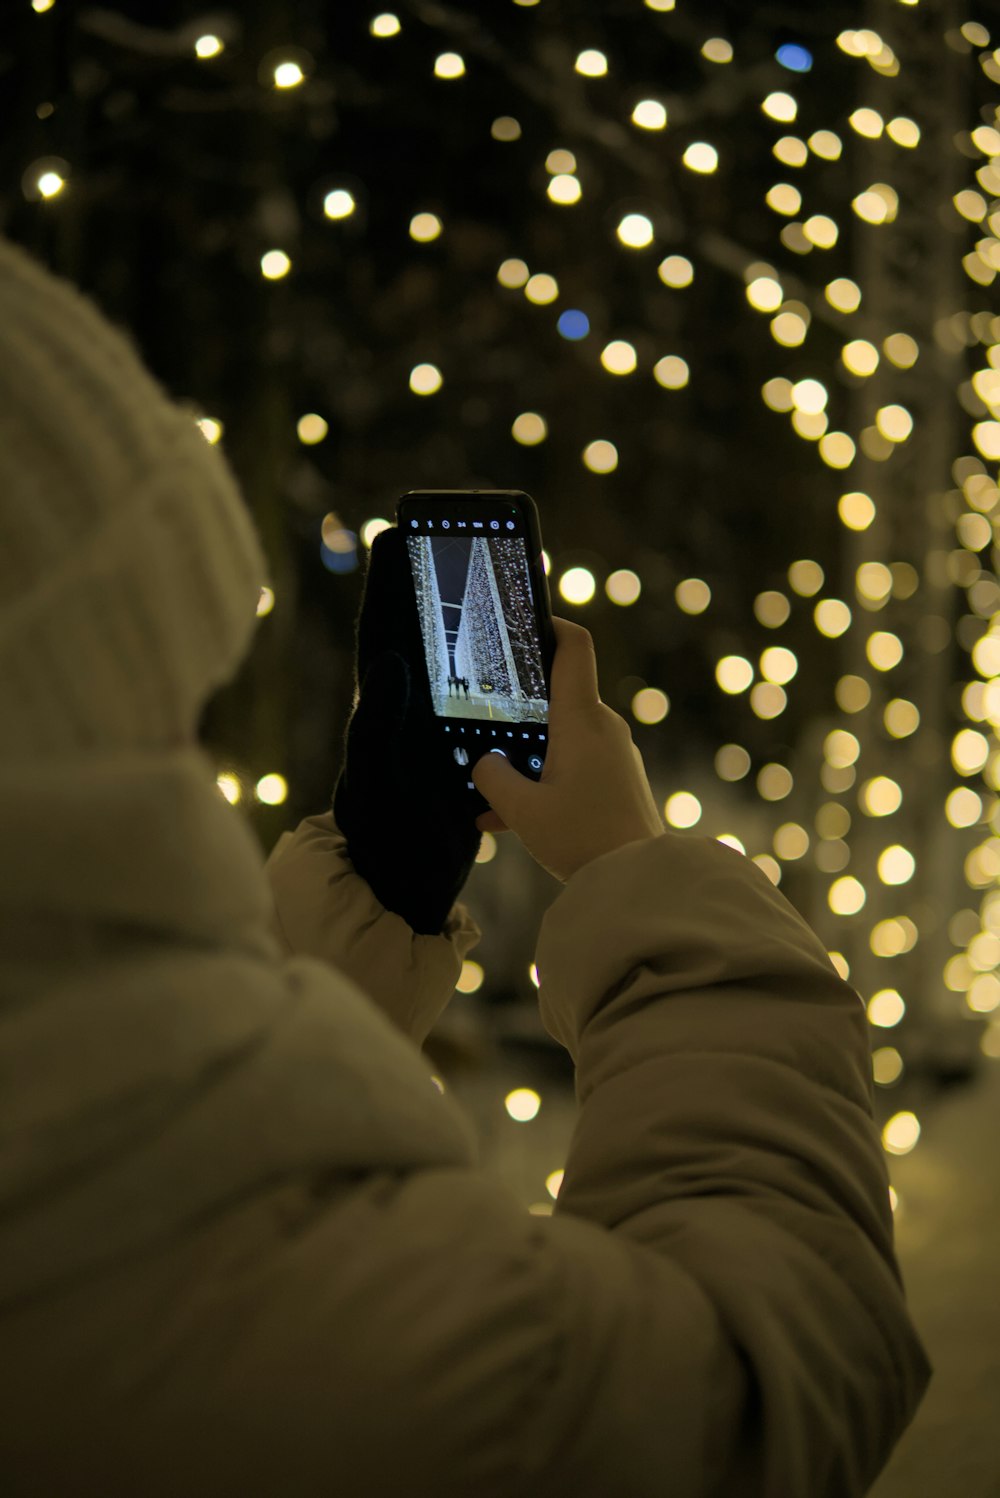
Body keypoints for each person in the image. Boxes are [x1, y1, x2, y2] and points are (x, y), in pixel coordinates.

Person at [0, 234, 930, 1496]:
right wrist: (632, 870)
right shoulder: (294, 1308)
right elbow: (765, 1376)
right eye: (159, 687)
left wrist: (374, 887)